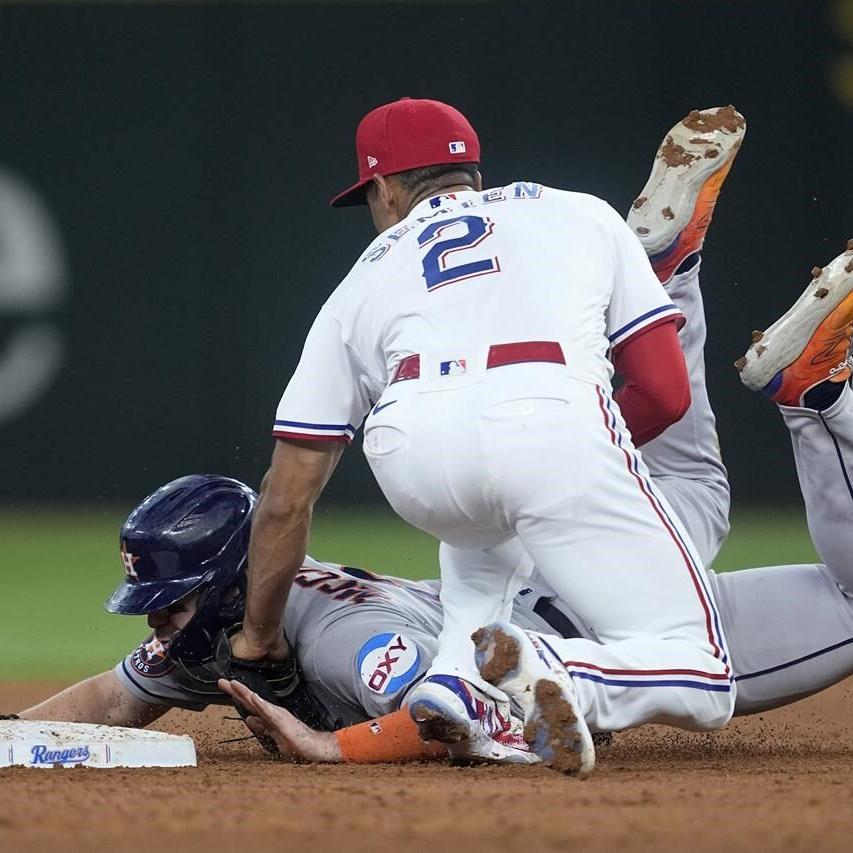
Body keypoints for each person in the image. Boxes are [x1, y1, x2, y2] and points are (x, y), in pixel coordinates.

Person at [229, 99, 748, 774]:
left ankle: (455, 681)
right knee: (704, 677)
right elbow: (663, 391)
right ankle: (548, 666)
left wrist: (255, 637)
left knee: (485, 520)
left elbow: (286, 495)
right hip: (546, 413)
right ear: (472, 172)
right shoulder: (578, 212)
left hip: (413, 452)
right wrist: (587, 466)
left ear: (384, 190)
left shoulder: (361, 279)